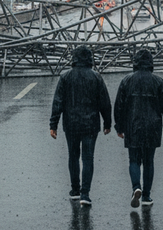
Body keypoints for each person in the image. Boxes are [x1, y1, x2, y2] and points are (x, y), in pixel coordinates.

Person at [50, 46, 112, 206]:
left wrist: (53, 124)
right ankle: (85, 193)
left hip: (71, 124)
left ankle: (75, 190)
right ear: (89, 59)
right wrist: (107, 123)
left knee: (73, 156)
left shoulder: (66, 77)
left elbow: (58, 102)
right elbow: (104, 102)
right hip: (90, 124)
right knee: (88, 158)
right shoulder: (96, 77)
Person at [114, 49, 163, 208]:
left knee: (134, 159)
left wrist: (119, 126)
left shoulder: (127, 81)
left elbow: (119, 106)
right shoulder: (158, 81)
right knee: (148, 161)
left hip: (133, 125)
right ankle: (146, 196)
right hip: (152, 126)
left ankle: (136, 187)